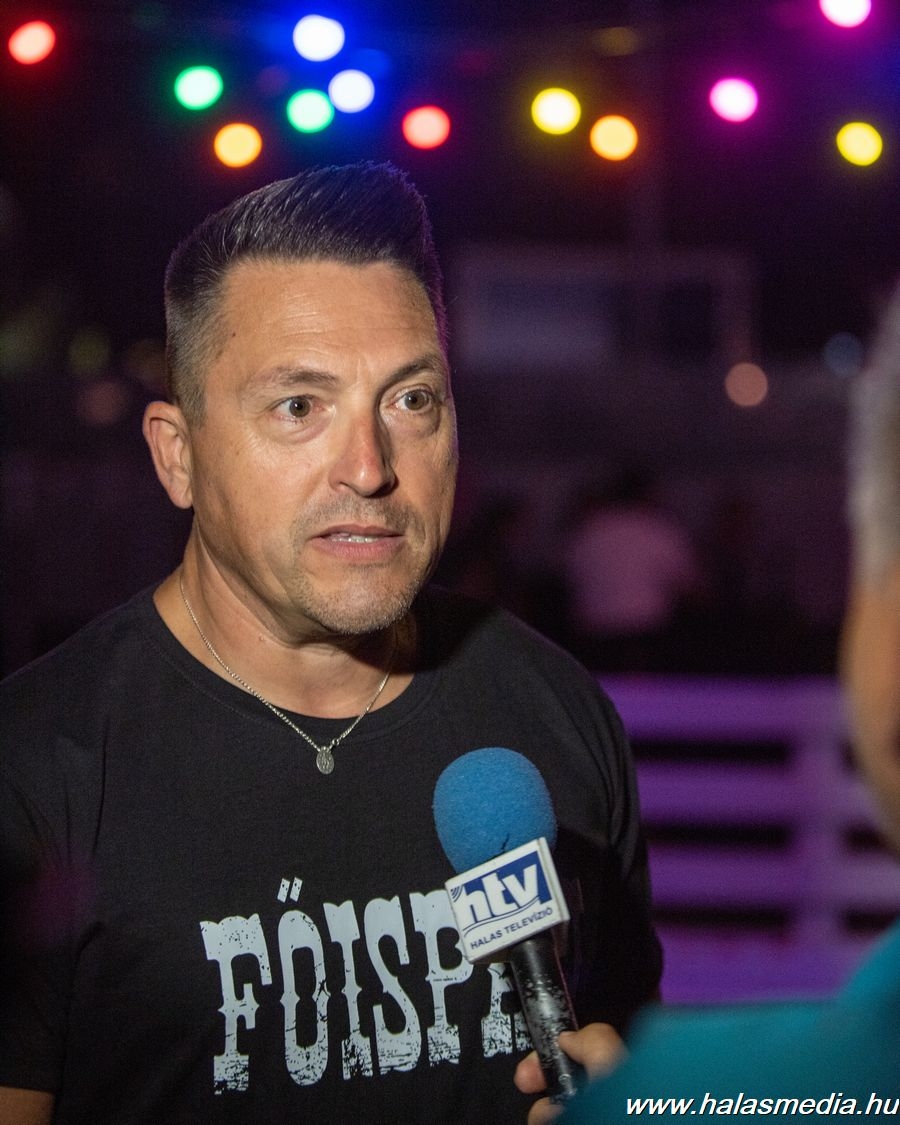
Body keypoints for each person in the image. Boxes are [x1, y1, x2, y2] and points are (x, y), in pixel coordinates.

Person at [0, 163, 662, 1124]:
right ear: (178, 455)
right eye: (299, 407)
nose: (370, 467)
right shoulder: (34, 767)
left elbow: (627, 1036)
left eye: (411, 400)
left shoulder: (555, 712)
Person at [515, 284, 900, 1124]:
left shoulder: (676, 1091)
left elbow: (564, 584)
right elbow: (689, 589)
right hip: (645, 654)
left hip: (591, 657)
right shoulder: (655, 532)